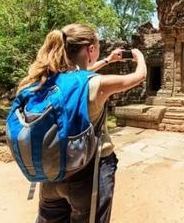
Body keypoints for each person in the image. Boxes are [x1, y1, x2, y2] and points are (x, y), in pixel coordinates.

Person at [16, 23, 147, 223]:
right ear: (90, 50)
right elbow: (139, 76)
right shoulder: (96, 84)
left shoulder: (43, 80)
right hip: (89, 172)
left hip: (51, 173)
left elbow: (77, 76)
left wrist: (106, 60)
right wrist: (139, 57)